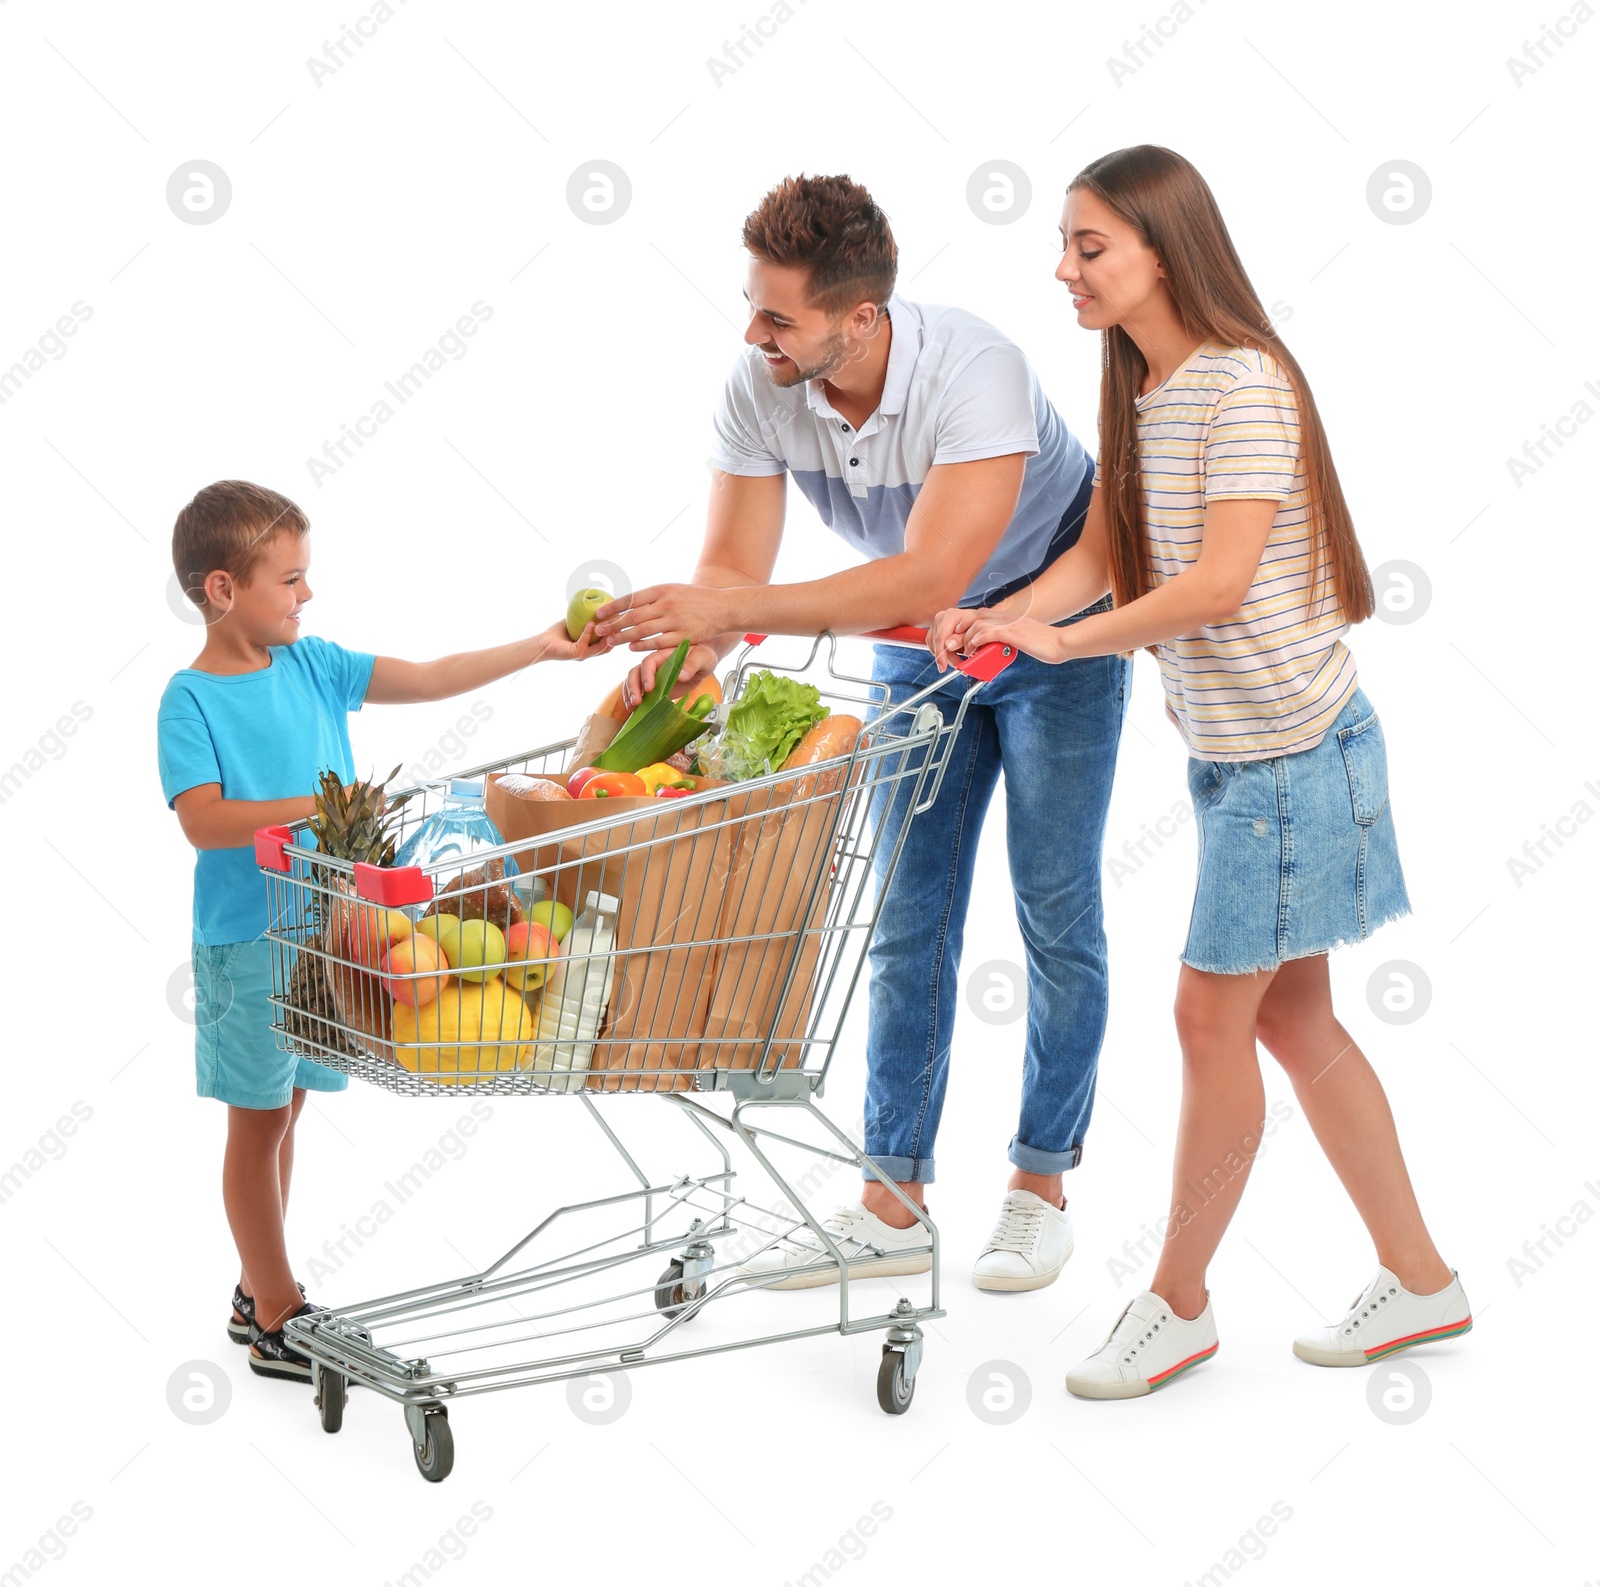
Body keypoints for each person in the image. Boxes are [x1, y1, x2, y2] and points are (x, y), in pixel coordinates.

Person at [933, 145, 1469, 1395]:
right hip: (1248, 763)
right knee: (1292, 1017)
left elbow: (1215, 585)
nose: (1061, 267)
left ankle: (1177, 1304)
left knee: (1207, 1017)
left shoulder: (1243, 387)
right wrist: (1012, 613)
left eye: (1087, 246)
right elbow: (1113, 549)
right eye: (1065, 245)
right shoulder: (1144, 385)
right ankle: (1422, 1278)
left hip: (1293, 759)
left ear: (1160, 253)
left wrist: (1062, 642)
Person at [593, 174, 1128, 1292]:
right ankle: (893, 1203)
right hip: (908, 641)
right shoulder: (762, 384)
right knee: (904, 915)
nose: (755, 334)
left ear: (862, 317)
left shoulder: (975, 369)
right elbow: (734, 570)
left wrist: (731, 613)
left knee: (1055, 908)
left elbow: (939, 567)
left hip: (1050, 627)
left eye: (779, 316)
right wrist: (696, 644)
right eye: (753, 306)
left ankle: (1040, 1188)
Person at [157, 480, 601, 1380]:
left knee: (289, 1109)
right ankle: (279, 1309)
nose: (306, 595)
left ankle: (256, 1287)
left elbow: (431, 675)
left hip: (333, 932)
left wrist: (540, 649)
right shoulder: (189, 698)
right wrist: (327, 806)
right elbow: (203, 820)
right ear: (221, 589)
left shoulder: (313, 664)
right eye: (290, 580)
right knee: (255, 1121)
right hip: (250, 939)